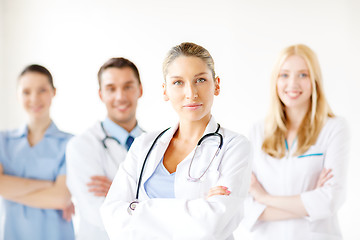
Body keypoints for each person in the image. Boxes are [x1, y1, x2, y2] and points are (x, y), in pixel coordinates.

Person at [100, 42, 252, 240]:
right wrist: (198, 206)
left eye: (200, 80)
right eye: (178, 82)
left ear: (217, 85)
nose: (191, 93)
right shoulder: (144, 145)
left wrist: (137, 209)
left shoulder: (235, 146)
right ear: (165, 90)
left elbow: (213, 225)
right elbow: (113, 218)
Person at [242, 44, 350, 239]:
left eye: (303, 75)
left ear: (315, 80)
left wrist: (264, 198)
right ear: (275, 80)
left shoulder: (334, 128)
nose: (292, 84)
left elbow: (330, 201)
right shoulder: (257, 130)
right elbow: (246, 208)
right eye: (284, 75)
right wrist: (310, 203)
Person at [66, 57, 144, 240]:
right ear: (101, 94)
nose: (120, 97)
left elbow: (172, 207)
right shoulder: (81, 146)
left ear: (140, 90)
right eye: (111, 89)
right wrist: (146, 202)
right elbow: (99, 213)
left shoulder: (158, 145)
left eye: (128, 86)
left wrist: (118, 193)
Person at [0, 64, 75, 240]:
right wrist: (50, 186)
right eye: (26, 92)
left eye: (42, 90)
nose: (34, 98)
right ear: (17, 95)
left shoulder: (70, 143)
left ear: (53, 92)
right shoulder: (3, 141)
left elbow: (61, 198)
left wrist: (7, 188)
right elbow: (59, 196)